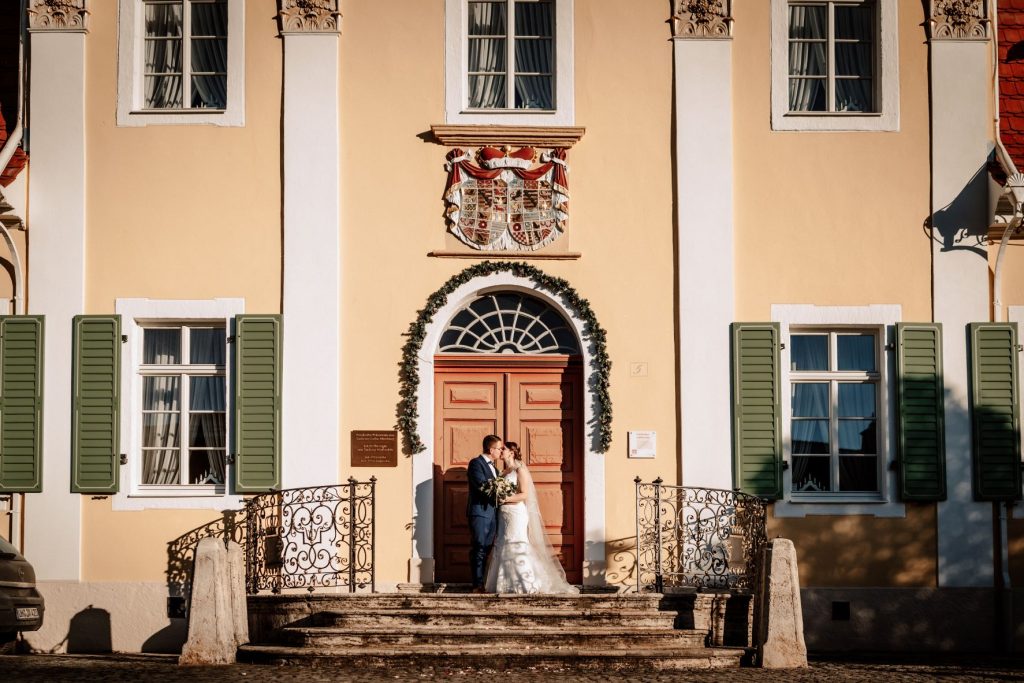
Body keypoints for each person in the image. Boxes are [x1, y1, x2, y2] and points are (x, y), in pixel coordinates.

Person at [484, 441, 578, 594]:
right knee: (503, 542)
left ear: (512, 453)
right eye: (500, 449)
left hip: (516, 513)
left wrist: (504, 499)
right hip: (503, 514)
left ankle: (525, 584)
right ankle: (504, 584)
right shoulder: (503, 472)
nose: (501, 451)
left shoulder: (519, 470)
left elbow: (524, 494)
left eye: (504, 449)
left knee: (516, 542)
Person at [466, 434, 503, 593]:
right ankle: (477, 585)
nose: (501, 452)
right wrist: (502, 493)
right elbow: (482, 485)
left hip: (493, 513)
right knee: (479, 547)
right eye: (499, 448)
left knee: (487, 548)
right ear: (491, 449)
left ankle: (485, 581)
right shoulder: (476, 463)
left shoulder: (494, 468)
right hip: (480, 512)